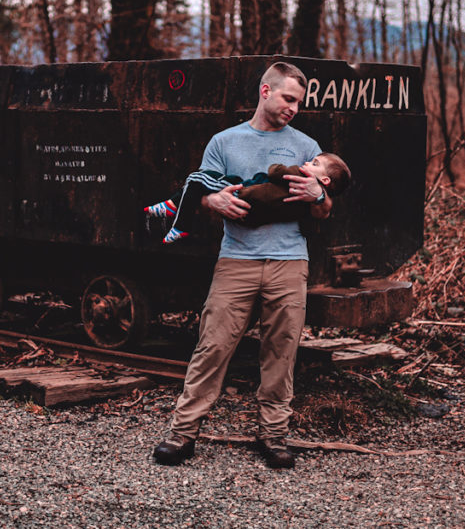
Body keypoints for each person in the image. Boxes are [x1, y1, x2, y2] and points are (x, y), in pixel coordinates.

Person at [152, 61, 334, 469]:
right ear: (265, 92)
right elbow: (199, 190)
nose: (294, 108)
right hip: (236, 260)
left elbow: (326, 210)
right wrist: (211, 201)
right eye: (289, 98)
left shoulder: (306, 146)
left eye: (299, 102)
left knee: (281, 351)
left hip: (290, 261)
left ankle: (273, 436)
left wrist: (318, 197)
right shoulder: (224, 141)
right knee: (212, 345)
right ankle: (183, 435)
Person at [144, 152, 350, 243]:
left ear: (324, 181)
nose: (307, 163)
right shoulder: (302, 203)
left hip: (242, 192)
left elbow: (274, 171)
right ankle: (172, 205)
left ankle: (180, 223)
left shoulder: (298, 177)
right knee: (203, 184)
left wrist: (300, 173)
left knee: (196, 178)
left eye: (314, 163)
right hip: (250, 204)